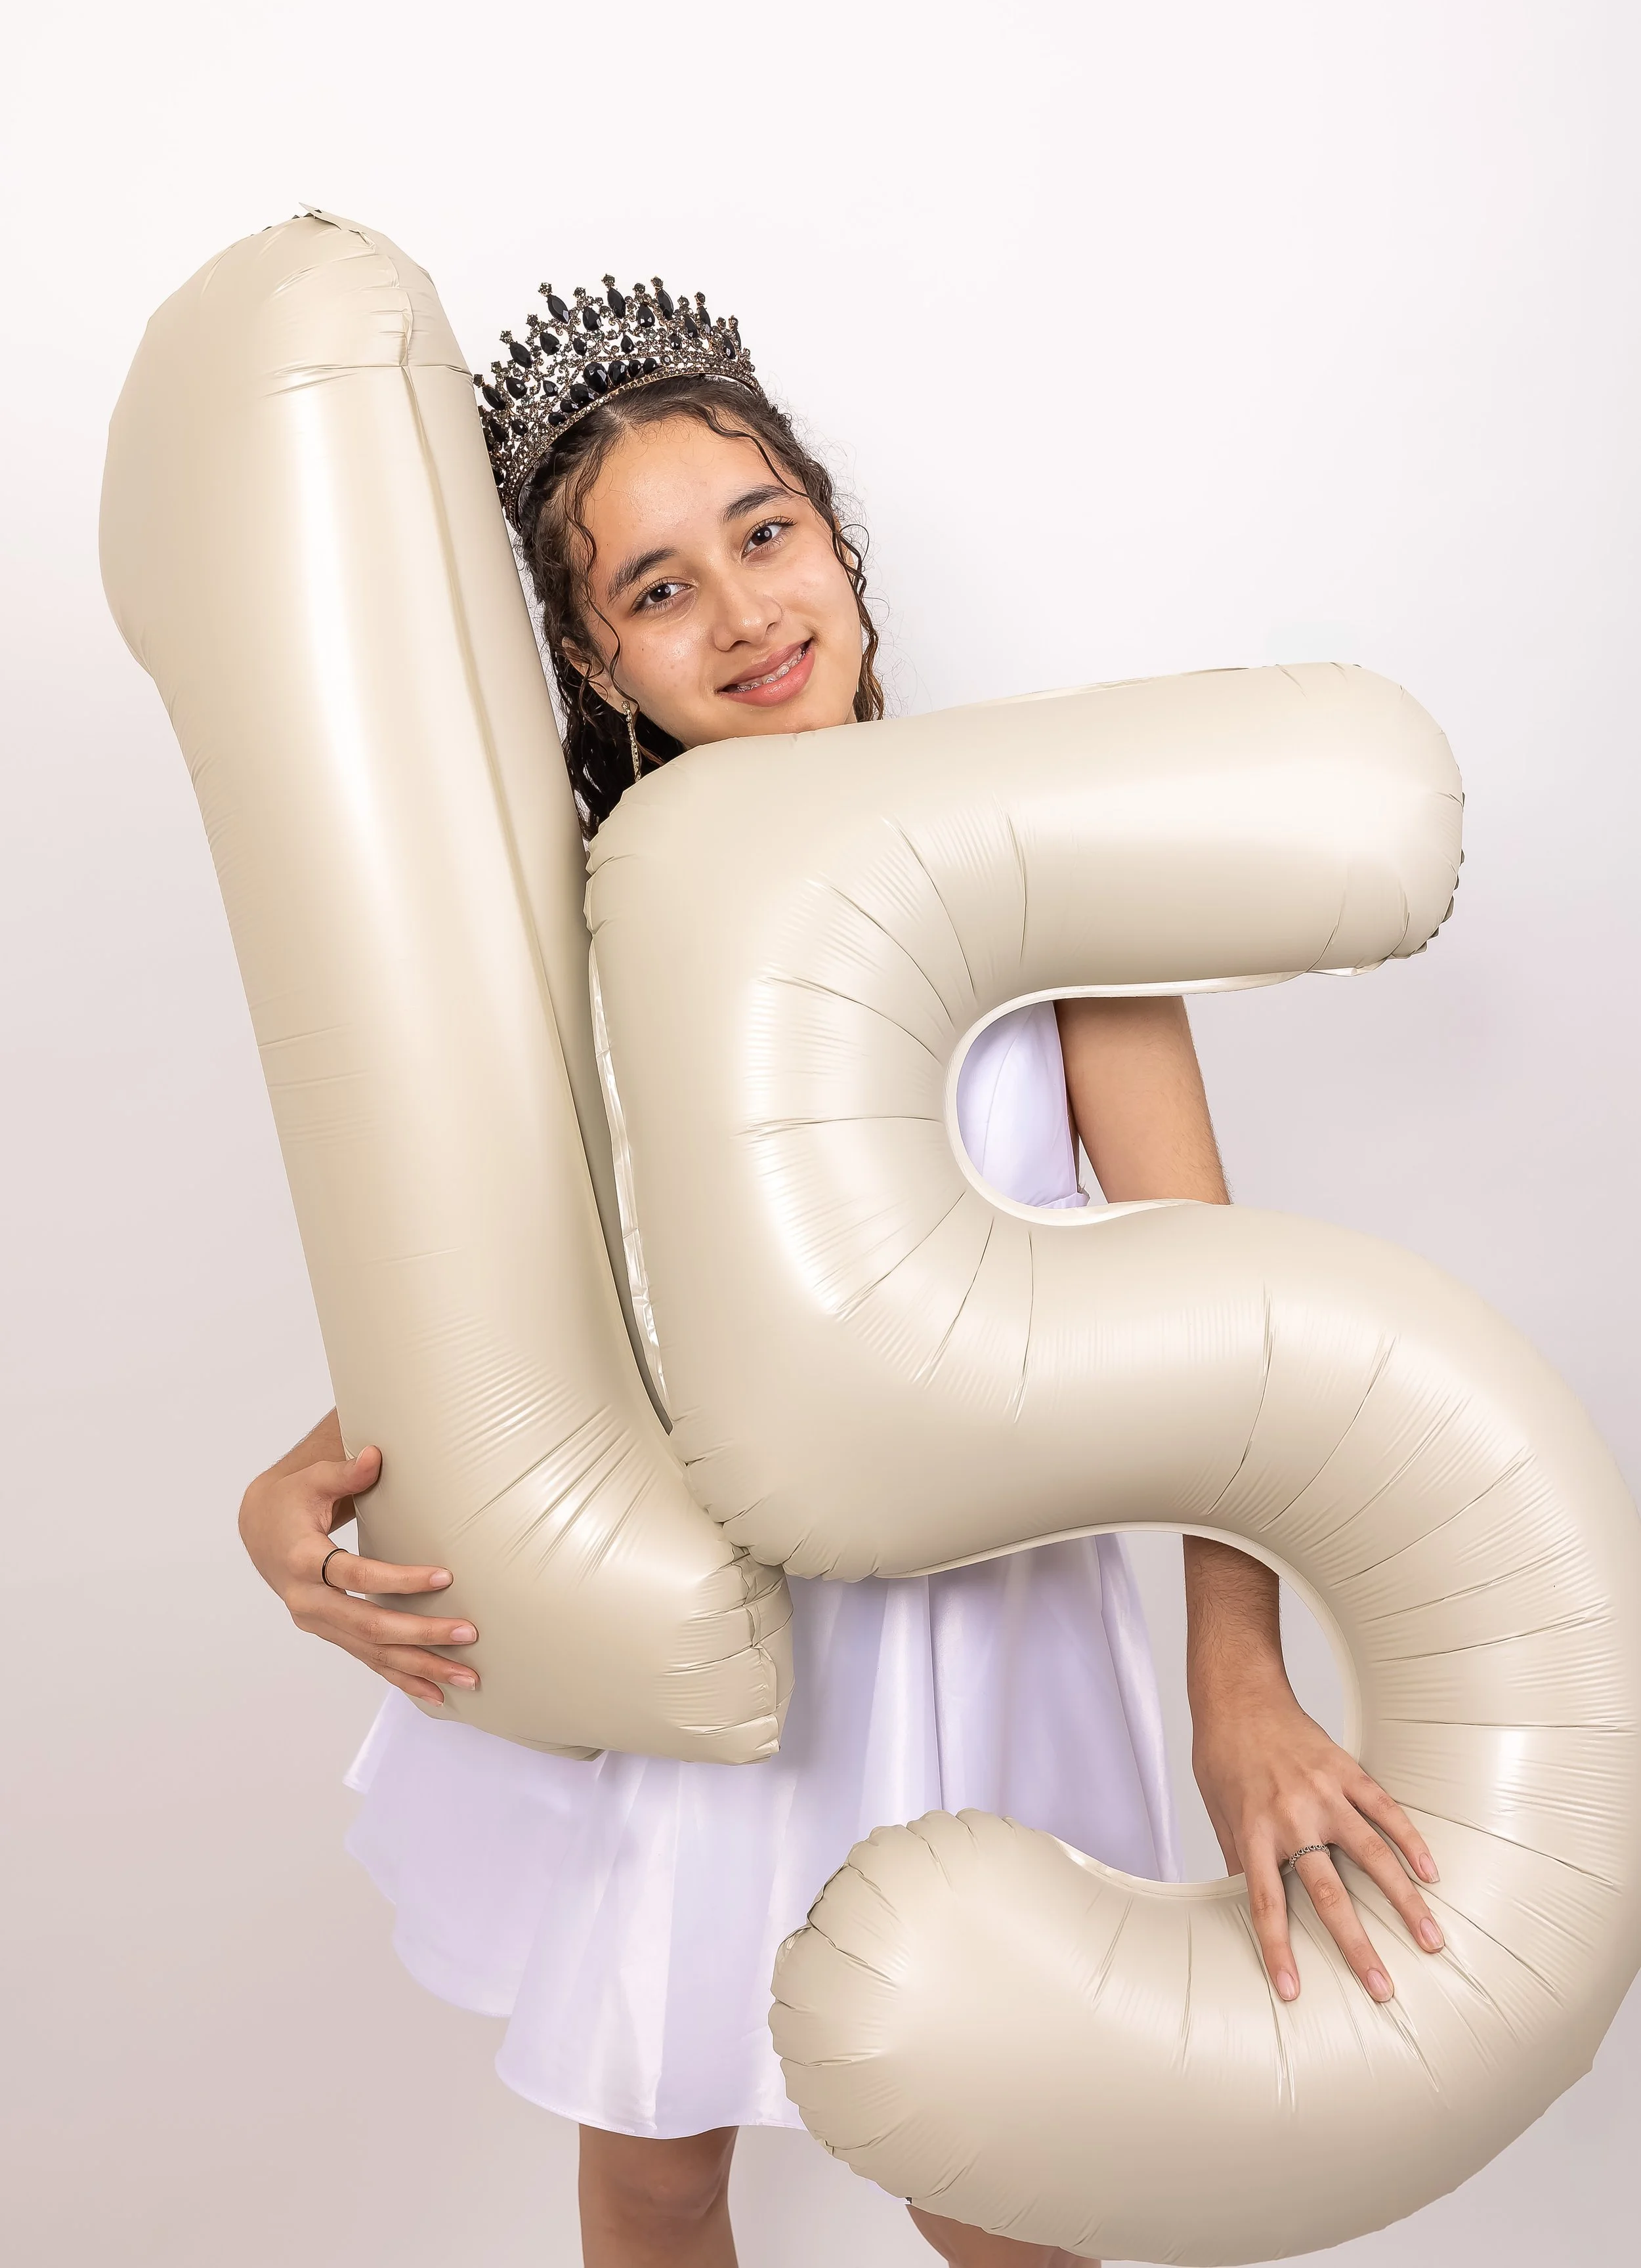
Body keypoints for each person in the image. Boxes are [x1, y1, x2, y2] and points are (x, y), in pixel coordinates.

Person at [238, 276, 1445, 2268]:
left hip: (977, 1650)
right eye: (652, 587)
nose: (739, 611)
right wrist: (307, 1481)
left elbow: (1232, 1343)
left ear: (839, 539)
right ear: (589, 655)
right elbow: (552, 1305)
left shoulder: (1056, 904)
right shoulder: (596, 953)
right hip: (725, 1649)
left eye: (762, 530)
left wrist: (1237, 1673)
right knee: (653, 2152)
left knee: (994, 2176)